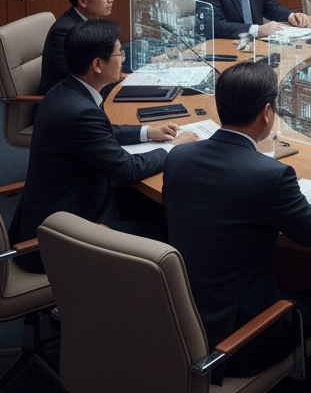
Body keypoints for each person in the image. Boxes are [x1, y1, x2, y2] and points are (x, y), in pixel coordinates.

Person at [163, 62, 311, 380]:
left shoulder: (178, 158)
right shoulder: (270, 175)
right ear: (266, 112)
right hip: (239, 342)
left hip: (179, 326)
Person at [11, 19, 194, 271]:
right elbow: (127, 170)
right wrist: (174, 147)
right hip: (62, 237)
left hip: (70, 207)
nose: (123, 58)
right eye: (120, 53)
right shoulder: (80, 112)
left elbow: (100, 131)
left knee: (169, 210)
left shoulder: (68, 91)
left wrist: (147, 131)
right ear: (97, 64)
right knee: (177, 240)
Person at [40, 0, 116, 95]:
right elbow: (88, 78)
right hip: (66, 105)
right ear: (83, 1)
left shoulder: (95, 20)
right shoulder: (64, 33)